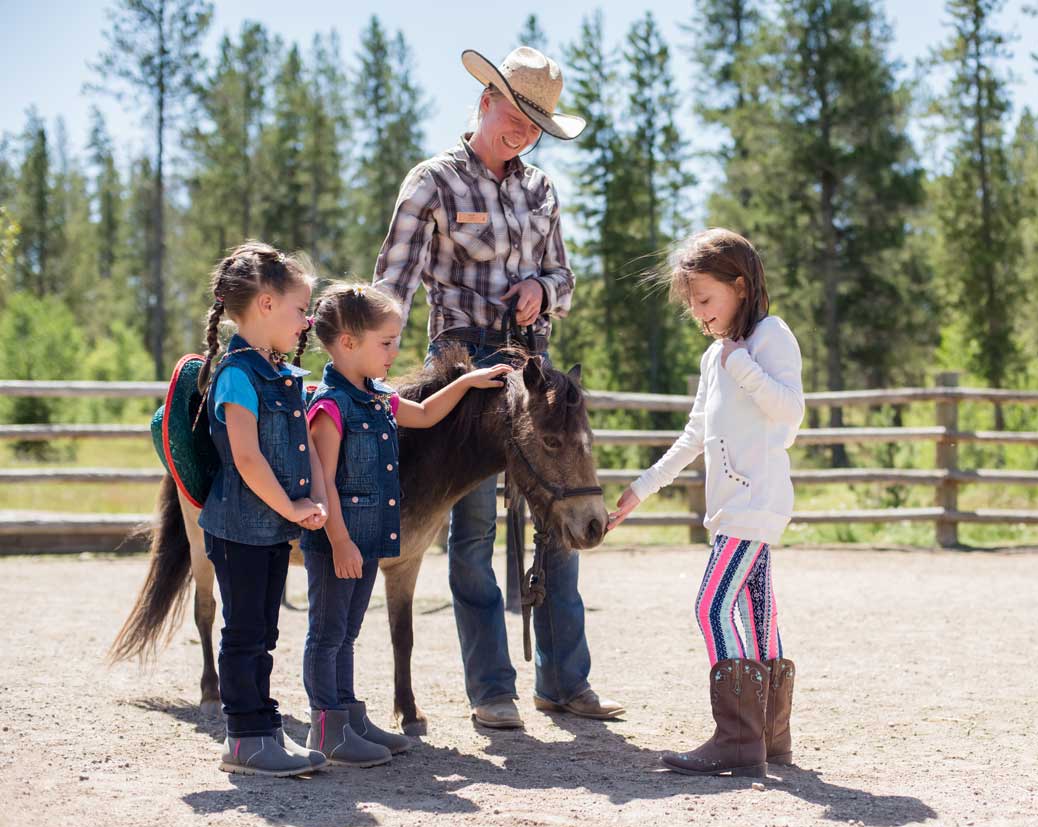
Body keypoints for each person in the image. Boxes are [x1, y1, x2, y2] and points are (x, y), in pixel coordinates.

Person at [372, 46, 623, 729]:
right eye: (515, 113)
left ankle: (565, 682)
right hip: (461, 372)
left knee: (559, 521)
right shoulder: (433, 181)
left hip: (533, 375)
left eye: (535, 122)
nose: (523, 131)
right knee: (473, 530)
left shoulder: (543, 190)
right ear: (485, 102)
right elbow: (390, 285)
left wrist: (542, 290)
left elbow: (565, 280)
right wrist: (366, 364)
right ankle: (492, 689)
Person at [609, 228, 804, 777]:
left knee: (711, 605)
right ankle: (770, 736)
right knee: (756, 613)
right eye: (692, 304)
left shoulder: (770, 336)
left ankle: (737, 739)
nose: (698, 313)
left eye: (705, 299)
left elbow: (790, 413)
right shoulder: (712, 357)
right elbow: (695, 433)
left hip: (755, 503)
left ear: (739, 286)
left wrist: (742, 364)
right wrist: (641, 488)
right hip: (730, 508)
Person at [299, 283, 511, 764]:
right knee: (327, 633)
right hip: (341, 542)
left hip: (367, 540)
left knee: (347, 633)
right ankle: (326, 727)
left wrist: (467, 382)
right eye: (387, 342)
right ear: (349, 343)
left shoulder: (378, 396)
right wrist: (339, 541)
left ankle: (349, 716)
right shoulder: (330, 407)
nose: (396, 352)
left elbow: (425, 413)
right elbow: (323, 483)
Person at [196, 241, 330, 777]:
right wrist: (295, 507)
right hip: (239, 530)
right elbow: (248, 460)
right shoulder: (237, 376)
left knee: (263, 631)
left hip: (268, 527)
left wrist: (307, 502)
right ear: (267, 306)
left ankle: (264, 727)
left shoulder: (275, 373)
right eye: (301, 310)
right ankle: (244, 737)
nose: (308, 321)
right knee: (246, 631)